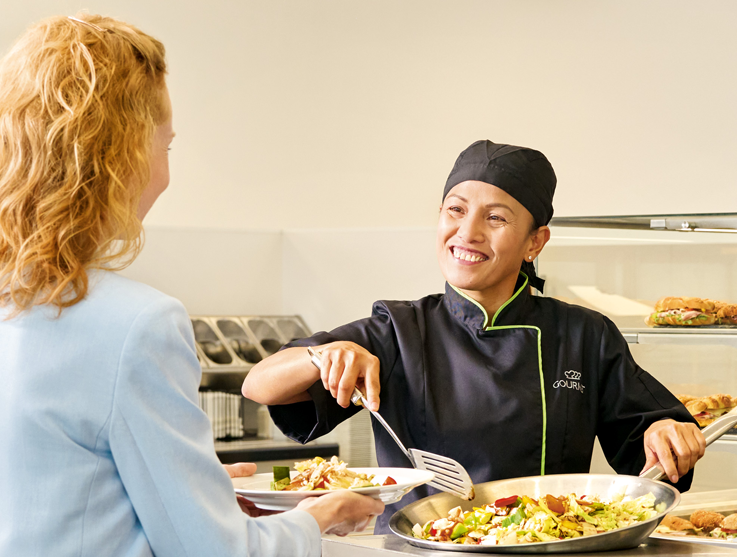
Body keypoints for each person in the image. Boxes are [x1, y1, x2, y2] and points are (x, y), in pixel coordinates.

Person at [0, 14, 381, 557]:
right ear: (121, 152)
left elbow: (47, 493)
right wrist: (321, 518)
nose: (165, 168)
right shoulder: (137, 322)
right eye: (166, 143)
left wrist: (196, 492)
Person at [242, 140, 706, 532]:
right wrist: (324, 355)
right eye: (455, 211)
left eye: (496, 218)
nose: (467, 232)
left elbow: (651, 443)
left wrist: (668, 433)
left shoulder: (583, 335)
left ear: (535, 243)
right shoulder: (399, 329)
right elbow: (258, 385)